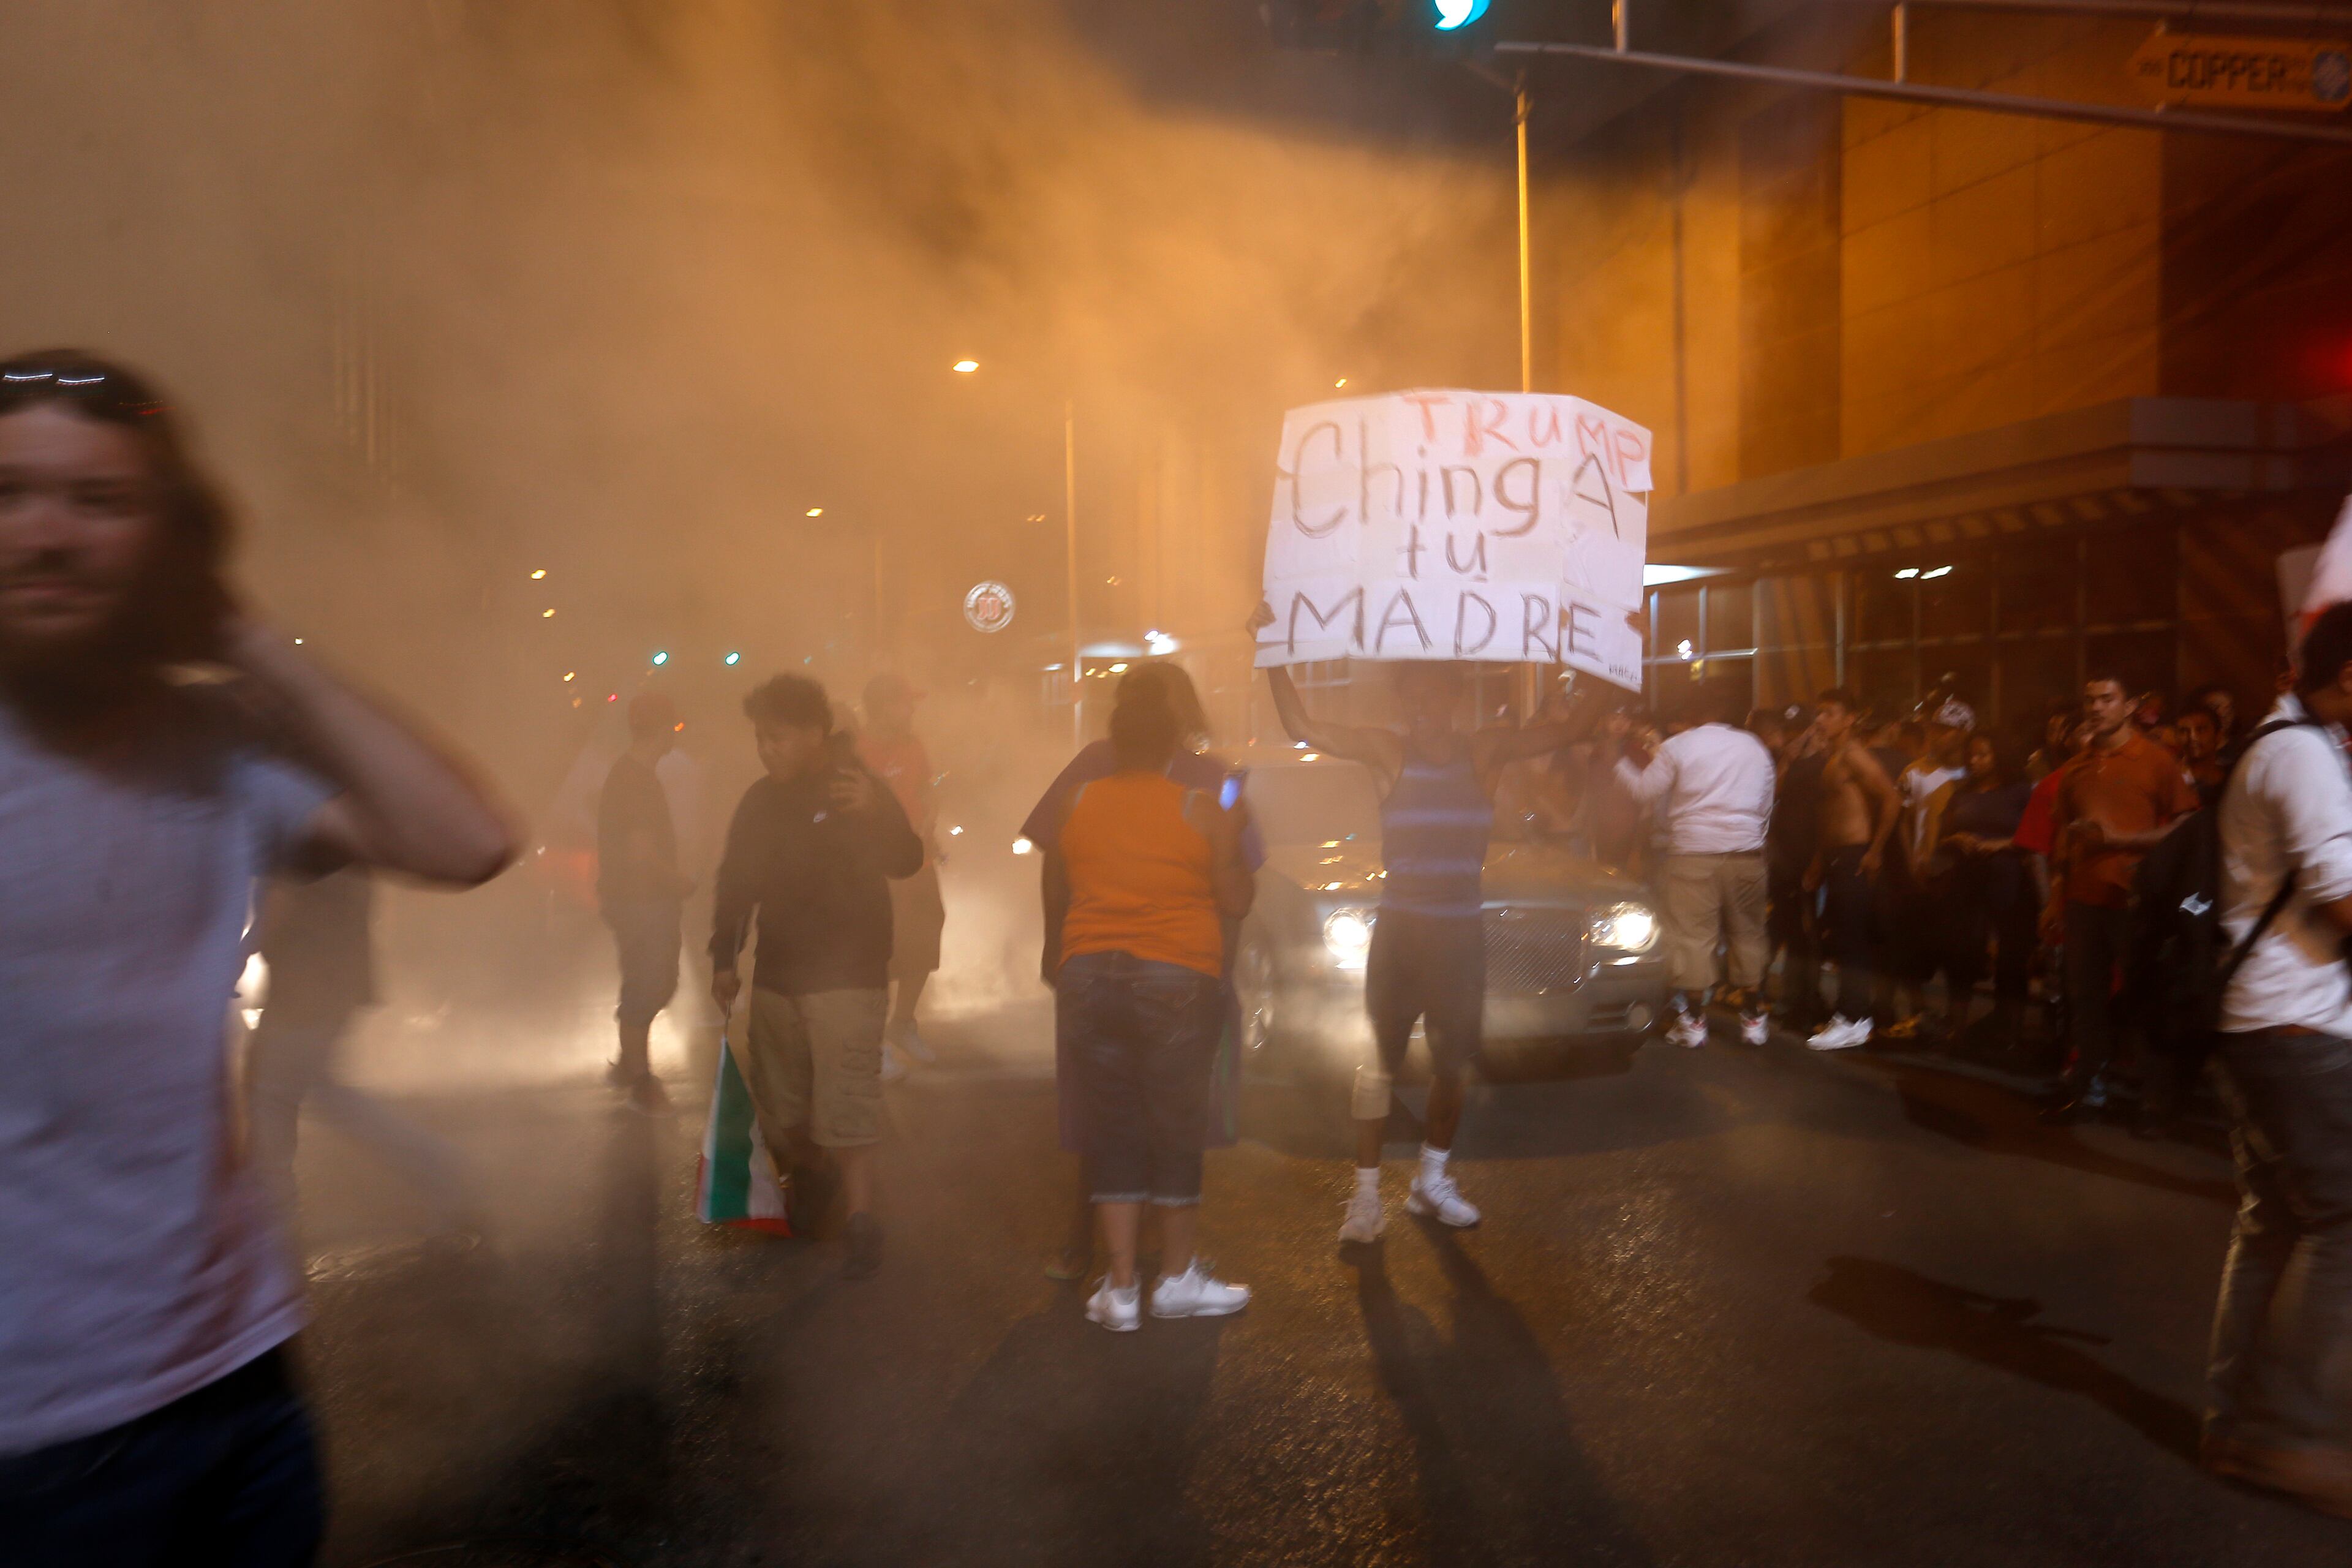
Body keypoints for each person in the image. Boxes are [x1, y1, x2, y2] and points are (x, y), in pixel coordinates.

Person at [0, 350, 515, 1565]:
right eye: (10, 492)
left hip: (239, 1380)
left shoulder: (213, 741)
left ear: (171, 540)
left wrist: (241, 632)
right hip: (35, 1431)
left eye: (102, 501)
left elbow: (467, 837)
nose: (49, 533)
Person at [1249, 607, 1604, 1245]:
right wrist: (1272, 646)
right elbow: (1301, 723)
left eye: (1431, 696)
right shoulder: (1387, 750)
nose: (1420, 708)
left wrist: (1617, 652)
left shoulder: (1485, 750)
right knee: (1379, 1066)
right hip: (1399, 932)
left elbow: (1577, 724)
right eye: (1409, 697)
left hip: (1459, 935)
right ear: (1400, 701)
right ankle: (1363, 1197)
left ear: (1454, 699)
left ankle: (1431, 1181)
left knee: (1453, 1065)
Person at [1021, 662, 1263, 1281]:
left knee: (1160, 1114)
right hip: (1122, 966)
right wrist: (1055, 944)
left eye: (1149, 696)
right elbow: (1054, 859)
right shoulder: (1093, 766)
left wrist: (1220, 969)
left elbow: (1236, 880)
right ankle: (1096, 1245)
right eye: (1131, 695)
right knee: (1108, 1112)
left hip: (1182, 970)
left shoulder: (1214, 777)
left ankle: (1144, 1259)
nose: (1139, 705)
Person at [2201, 600, 2352, 1518]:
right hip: (2295, 1030)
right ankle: (2286, 1435)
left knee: (2274, 1223)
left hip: (2263, 1024)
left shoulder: (2297, 744)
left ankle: (2235, 1425)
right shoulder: (2298, 754)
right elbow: (2345, 898)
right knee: (2344, 1219)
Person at [710, 674, 922, 1278]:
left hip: (849, 974)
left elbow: (906, 859)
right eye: (759, 738)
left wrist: (878, 813)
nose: (765, 749)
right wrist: (724, 957)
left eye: (775, 737)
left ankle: (860, 1219)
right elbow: (735, 882)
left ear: (812, 734)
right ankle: (812, 1176)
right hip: (777, 973)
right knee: (783, 1110)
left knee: (849, 1101)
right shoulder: (758, 801)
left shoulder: (858, 788)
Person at [244, 867, 468, 1247]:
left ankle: (272, 1224)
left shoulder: (305, 834)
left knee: (274, 1095)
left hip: (305, 988)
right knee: (309, 1094)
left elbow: (281, 899)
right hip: (329, 983)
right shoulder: (343, 828)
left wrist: (238, 953)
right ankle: (442, 1170)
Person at [2041, 673, 2198, 1123]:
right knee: (2085, 999)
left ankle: (2155, 1100)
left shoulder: (2155, 760)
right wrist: (2056, 898)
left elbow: (2187, 826)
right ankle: (2088, 1086)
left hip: (2134, 901)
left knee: (2143, 1000)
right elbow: (2062, 841)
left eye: (2107, 699)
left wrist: (2123, 838)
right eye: (2090, 699)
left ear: (2129, 706)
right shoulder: (2076, 768)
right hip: (2083, 901)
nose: (2095, 707)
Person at [1616, 680, 1776, 1047]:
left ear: (1694, 711)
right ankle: (1754, 1019)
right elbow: (1765, 804)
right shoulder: (1755, 748)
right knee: (1748, 934)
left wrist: (1618, 763)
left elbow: (1644, 791)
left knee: (1692, 937)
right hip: (1747, 852)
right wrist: (1752, 839)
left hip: (1693, 853)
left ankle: (1694, 1023)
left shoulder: (1679, 746)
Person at [599, 690, 692, 1114]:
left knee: (647, 980)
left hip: (635, 900)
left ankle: (628, 1063)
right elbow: (640, 854)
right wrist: (680, 881)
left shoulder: (631, 773)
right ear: (661, 730)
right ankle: (640, 1080)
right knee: (653, 982)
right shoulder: (635, 779)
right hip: (643, 901)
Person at [1799, 688, 1899, 1051]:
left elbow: (1892, 797)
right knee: (1843, 938)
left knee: (1852, 939)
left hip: (1856, 856)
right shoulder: (1835, 756)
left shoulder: (1854, 754)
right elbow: (1831, 816)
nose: (1820, 720)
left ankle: (1854, 1019)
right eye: (1818, 713)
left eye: (1828, 713)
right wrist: (1819, 862)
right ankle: (1853, 1016)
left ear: (1849, 718)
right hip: (1840, 858)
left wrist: (1874, 851)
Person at [859, 671, 944, 1072]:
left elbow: (927, 788)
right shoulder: (857, 751)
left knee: (927, 935)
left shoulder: (914, 746)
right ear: (880, 708)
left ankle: (903, 1023)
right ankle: (874, 1039)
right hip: (876, 870)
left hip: (918, 862)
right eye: (903, 703)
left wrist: (931, 818)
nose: (911, 711)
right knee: (878, 952)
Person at [1928, 733, 2037, 1050]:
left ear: (1999, 756)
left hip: (2010, 883)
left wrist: (1999, 845)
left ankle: (2010, 1033)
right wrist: (1955, 840)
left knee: (2010, 959)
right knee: (1959, 953)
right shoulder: (1961, 794)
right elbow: (1941, 837)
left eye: (1983, 755)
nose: (1975, 761)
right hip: (1967, 885)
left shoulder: (2020, 792)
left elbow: (2034, 837)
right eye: (1971, 755)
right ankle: (1957, 1027)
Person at [2178, 703, 2227, 805]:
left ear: (2218, 736)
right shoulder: (2172, 781)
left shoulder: (2233, 779)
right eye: (2184, 731)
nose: (2193, 737)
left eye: (2201, 730)